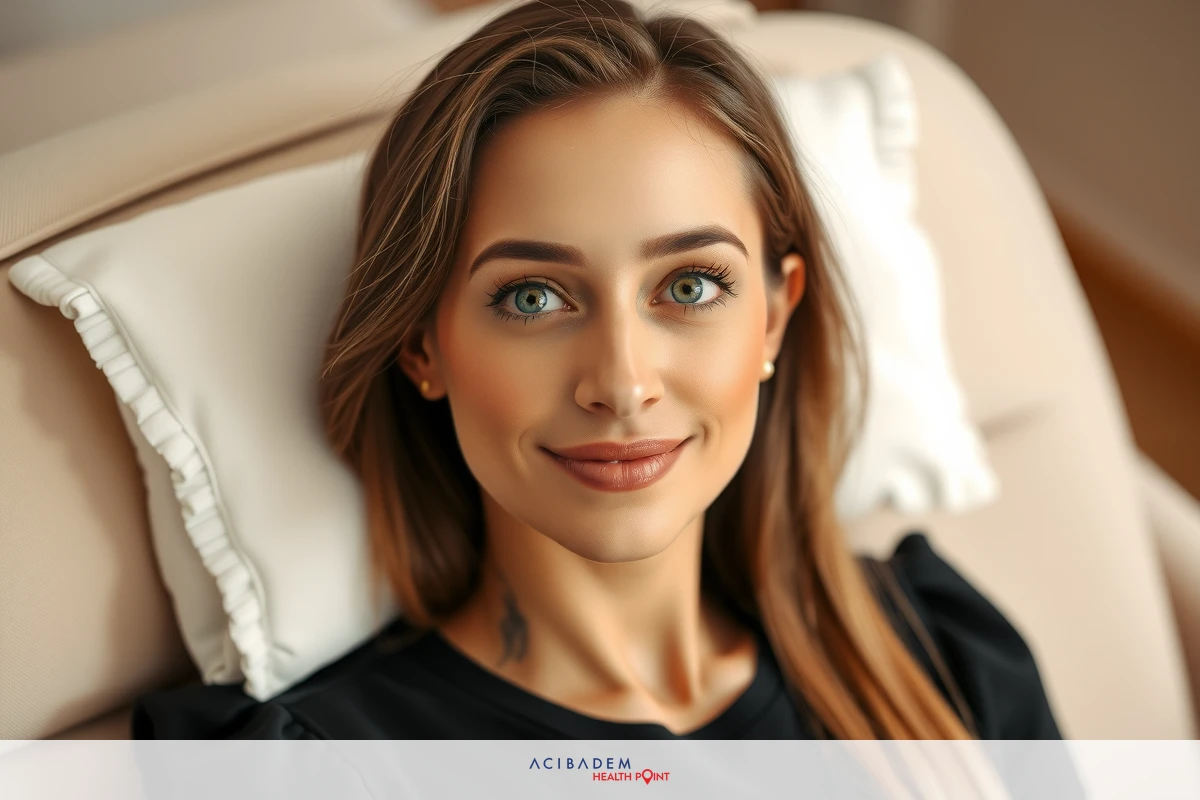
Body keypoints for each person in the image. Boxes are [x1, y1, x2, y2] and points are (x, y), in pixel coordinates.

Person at [133, 0, 1063, 740]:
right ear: (423, 344)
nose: (620, 383)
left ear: (776, 313)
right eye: (534, 298)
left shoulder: (938, 655)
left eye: (691, 285)